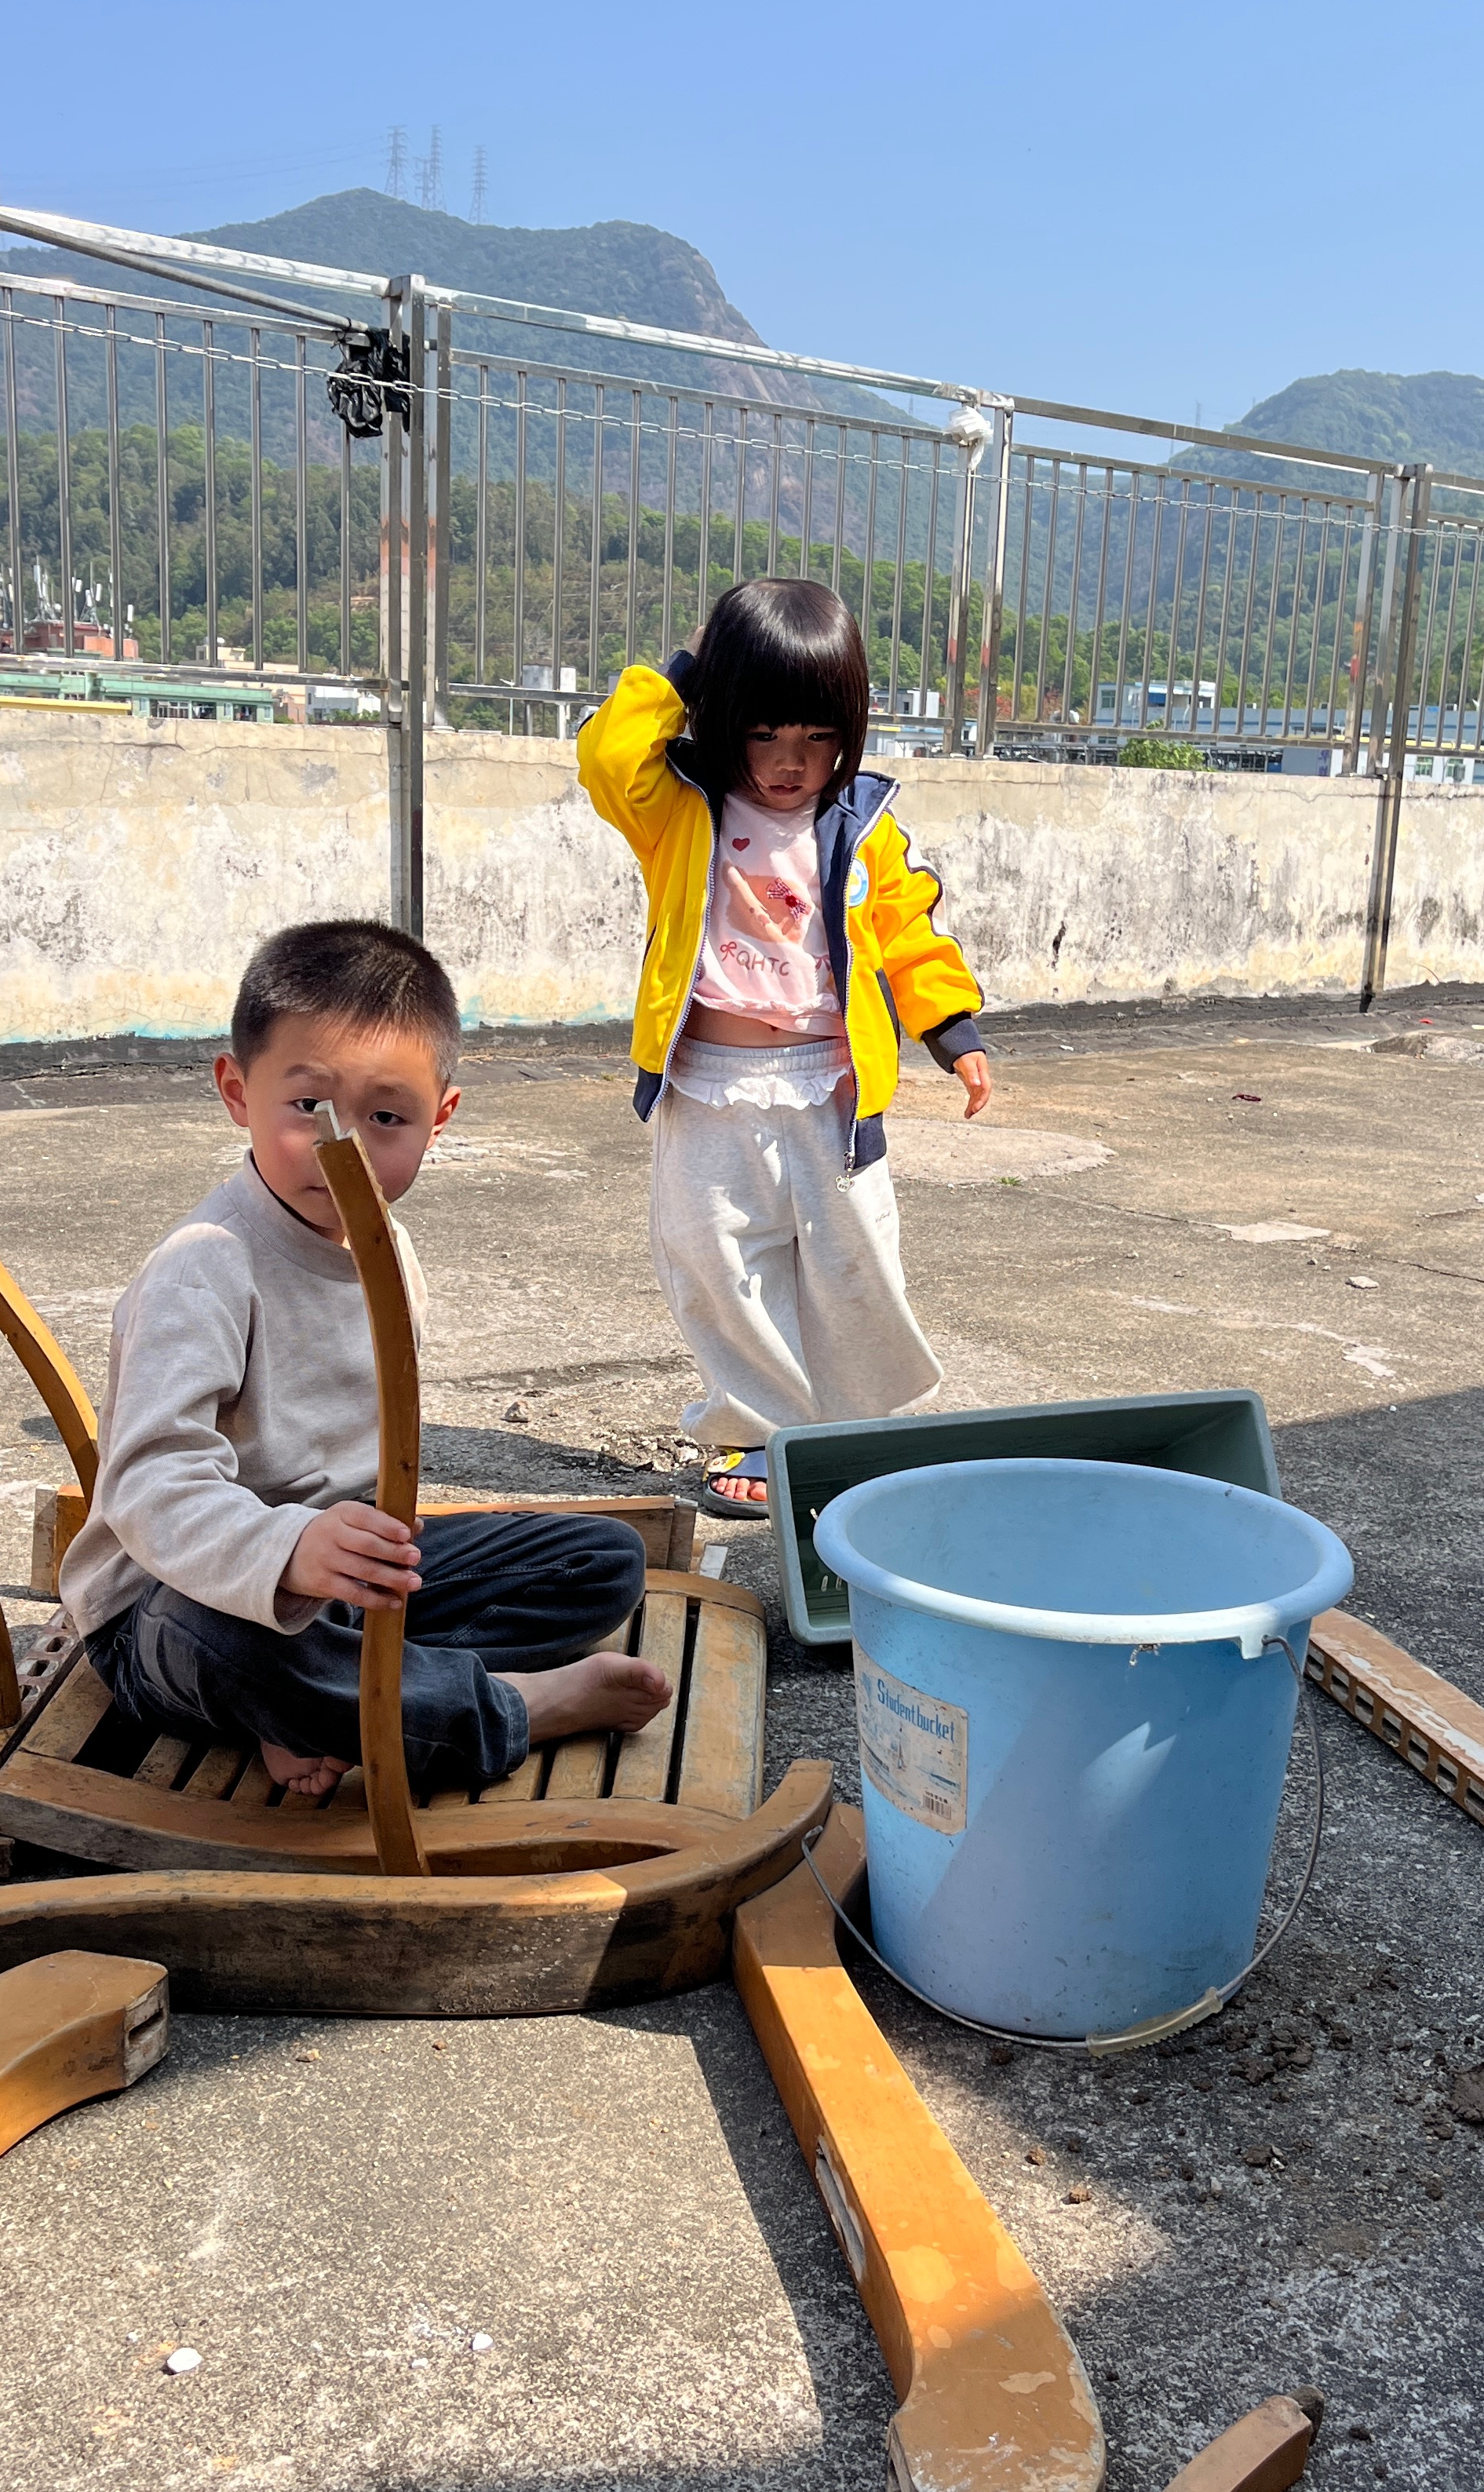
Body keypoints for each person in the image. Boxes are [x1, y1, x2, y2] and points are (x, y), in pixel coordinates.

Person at [61, 918, 670, 1801]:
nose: (341, 1146)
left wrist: (335, 1554)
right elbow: (149, 1487)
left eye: (384, 1117)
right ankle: (506, 1708)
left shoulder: (390, 1249)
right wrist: (288, 1546)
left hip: (343, 1577)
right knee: (224, 1647)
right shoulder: (205, 1267)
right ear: (237, 1091)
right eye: (308, 1108)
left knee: (602, 1561)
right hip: (175, 1601)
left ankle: (327, 1703)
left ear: (439, 1118)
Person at [579, 576, 990, 1519]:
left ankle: (850, 1429)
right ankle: (763, 1433)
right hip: (708, 1086)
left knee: (855, 1267)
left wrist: (951, 1029)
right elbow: (607, 755)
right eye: (762, 733)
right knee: (718, 1266)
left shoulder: (865, 825)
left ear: (851, 732)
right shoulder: (678, 807)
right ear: (721, 716)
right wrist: (693, 666)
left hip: (829, 1088)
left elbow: (909, 932)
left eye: (817, 737)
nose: (789, 762)